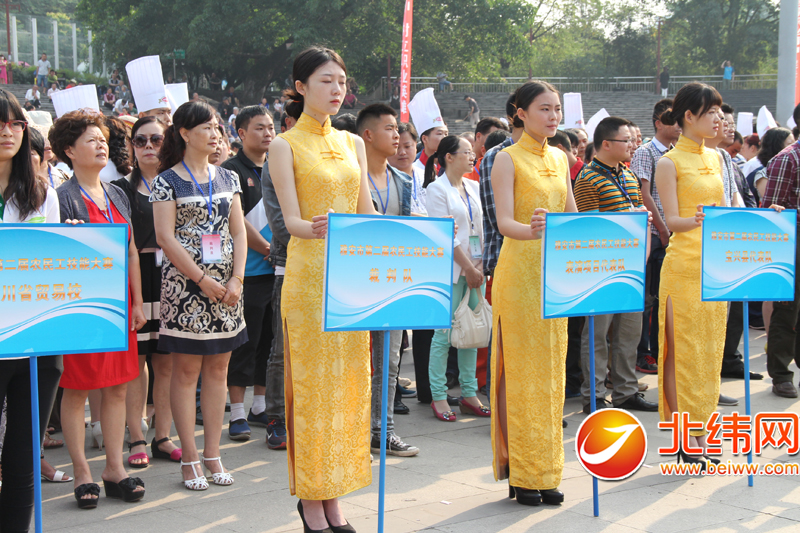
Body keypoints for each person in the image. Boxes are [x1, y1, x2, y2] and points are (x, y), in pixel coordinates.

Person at [269, 46, 376, 533]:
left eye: (342, 81)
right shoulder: (284, 145)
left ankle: (336, 495)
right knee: (313, 390)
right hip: (310, 277)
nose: (337, 90)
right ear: (301, 87)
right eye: (326, 81)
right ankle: (312, 499)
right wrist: (317, 227)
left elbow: (367, 213)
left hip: (351, 276)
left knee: (349, 388)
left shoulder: (353, 143)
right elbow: (290, 220)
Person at [52, 110, 148, 508]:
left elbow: (131, 251)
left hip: (119, 304)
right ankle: (82, 472)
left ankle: (114, 468)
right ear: (69, 150)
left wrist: (138, 302)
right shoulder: (60, 197)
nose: (100, 145)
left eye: (103, 139)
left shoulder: (117, 194)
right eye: (90, 140)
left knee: (118, 387)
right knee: (77, 389)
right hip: (81, 304)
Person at [151, 101, 247, 490]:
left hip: (227, 290)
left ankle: (213, 453)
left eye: (217, 127)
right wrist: (201, 279)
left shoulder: (228, 178)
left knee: (219, 370)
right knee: (186, 371)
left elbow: (238, 232)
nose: (214, 134)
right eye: (206, 127)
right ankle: (189, 457)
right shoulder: (166, 181)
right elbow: (165, 237)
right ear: (185, 133)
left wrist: (237, 279)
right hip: (186, 289)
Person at [490, 80, 575, 506]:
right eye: (544, 108)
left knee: (552, 374)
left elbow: (572, 215)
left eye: (556, 108)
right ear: (520, 113)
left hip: (554, 276)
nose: (553, 116)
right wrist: (534, 229)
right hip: (520, 274)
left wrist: (619, 227)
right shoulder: (506, 158)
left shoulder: (560, 157)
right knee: (522, 374)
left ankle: (547, 471)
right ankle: (522, 474)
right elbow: (504, 222)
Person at [654, 82, 740, 468]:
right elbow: (672, 220)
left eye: (720, 112)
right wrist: (697, 219)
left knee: (709, 351)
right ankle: (684, 435)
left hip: (715, 267)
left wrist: (761, 220)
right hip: (684, 267)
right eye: (711, 113)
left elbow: (727, 211)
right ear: (689, 116)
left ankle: (704, 429)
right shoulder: (669, 162)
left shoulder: (718, 157)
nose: (719, 119)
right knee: (684, 352)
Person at [0, 89, 64, 531]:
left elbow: (54, 258)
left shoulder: (42, 193)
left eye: (16, 123)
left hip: (38, 334)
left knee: (24, 453)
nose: (8, 132)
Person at [573, 116, 658, 414]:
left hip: (632, 266)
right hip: (601, 269)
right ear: (606, 144)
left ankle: (626, 392)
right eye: (627, 140)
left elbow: (641, 218)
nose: (633, 145)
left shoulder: (628, 174)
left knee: (628, 335)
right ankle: (594, 396)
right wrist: (629, 218)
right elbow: (588, 228)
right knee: (597, 336)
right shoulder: (588, 178)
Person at [112, 117, 182, 468]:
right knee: (136, 361)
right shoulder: (118, 189)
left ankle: (163, 436)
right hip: (136, 279)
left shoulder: (178, 183)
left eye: (156, 139)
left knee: (166, 361)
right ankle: (137, 436)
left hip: (172, 276)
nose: (149, 147)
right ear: (131, 146)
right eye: (140, 141)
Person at [356, 103, 420, 457]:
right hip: (355, 280)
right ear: (368, 135)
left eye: (398, 129)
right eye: (390, 129)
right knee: (354, 359)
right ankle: (353, 432)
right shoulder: (351, 176)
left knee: (390, 359)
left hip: (394, 281)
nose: (397, 136)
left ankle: (383, 430)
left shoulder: (404, 180)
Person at [220, 106, 278, 443]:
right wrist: (267, 249)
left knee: (269, 341)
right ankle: (237, 412)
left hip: (276, 270)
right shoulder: (231, 170)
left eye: (271, 127)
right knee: (245, 342)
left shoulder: (276, 166)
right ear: (241, 133)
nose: (267, 133)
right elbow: (237, 220)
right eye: (259, 128)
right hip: (247, 272)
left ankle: (259, 405)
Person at [424, 134, 489, 423]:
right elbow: (445, 235)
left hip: (476, 269)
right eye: (466, 152)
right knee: (444, 335)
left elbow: (480, 229)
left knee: (472, 333)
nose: (472, 155)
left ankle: (470, 393)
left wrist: (479, 266)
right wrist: (469, 268)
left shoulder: (473, 186)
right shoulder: (436, 189)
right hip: (451, 272)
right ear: (449, 157)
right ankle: (438, 396)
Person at [631, 98, 680, 374]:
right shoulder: (646, 152)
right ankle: (643, 353)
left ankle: (662, 351)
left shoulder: (676, 152)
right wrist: (662, 228)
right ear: (658, 123)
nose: (678, 125)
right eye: (672, 120)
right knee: (647, 298)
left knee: (663, 297)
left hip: (671, 232)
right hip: (653, 233)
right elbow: (645, 194)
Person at [761, 103, 800, 399]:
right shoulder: (787, 159)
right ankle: (781, 374)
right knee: (787, 311)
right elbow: (771, 211)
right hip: (793, 243)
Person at [388, 121, 427, 216]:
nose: (402, 152)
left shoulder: (428, 177)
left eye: (407, 146)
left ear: (416, 146)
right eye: (397, 147)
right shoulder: (382, 181)